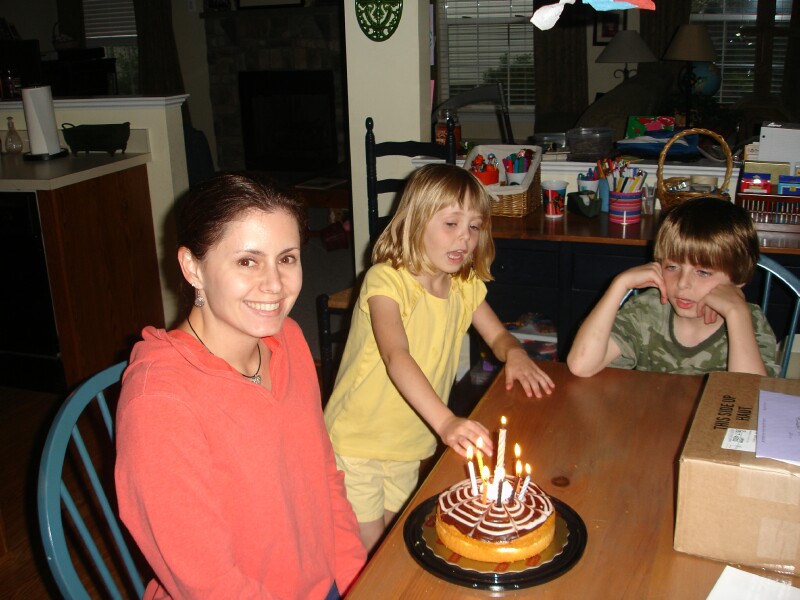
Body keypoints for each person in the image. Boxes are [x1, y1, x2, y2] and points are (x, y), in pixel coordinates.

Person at [115, 173, 366, 599]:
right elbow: (208, 583)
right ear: (192, 267)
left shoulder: (289, 340)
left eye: (287, 258)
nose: (275, 285)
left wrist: (356, 578)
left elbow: (324, 477)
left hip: (323, 582)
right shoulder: (159, 404)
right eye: (247, 261)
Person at [323, 163, 555, 552]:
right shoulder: (386, 280)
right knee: (372, 553)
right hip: (357, 440)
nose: (465, 237)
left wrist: (515, 353)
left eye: (474, 227)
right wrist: (446, 421)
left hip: (410, 442)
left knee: (398, 542)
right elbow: (396, 355)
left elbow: (497, 335)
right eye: (451, 223)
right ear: (416, 222)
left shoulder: (464, 285)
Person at [567, 197, 779, 378]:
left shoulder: (748, 321)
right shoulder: (647, 309)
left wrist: (736, 313)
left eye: (703, 272)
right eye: (672, 267)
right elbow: (581, 366)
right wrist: (619, 285)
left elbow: (751, 399)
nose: (682, 283)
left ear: (738, 278)